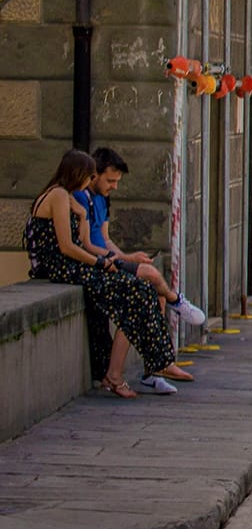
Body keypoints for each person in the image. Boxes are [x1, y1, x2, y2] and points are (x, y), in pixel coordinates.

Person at [26, 150, 181, 398]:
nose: (88, 184)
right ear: (78, 174)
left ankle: (153, 364)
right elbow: (66, 247)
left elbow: (84, 239)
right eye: (89, 178)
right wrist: (100, 263)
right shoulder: (56, 195)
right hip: (61, 266)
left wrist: (82, 214)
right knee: (134, 290)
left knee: (141, 289)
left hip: (72, 264)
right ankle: (133, 370)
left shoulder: (65, 196)